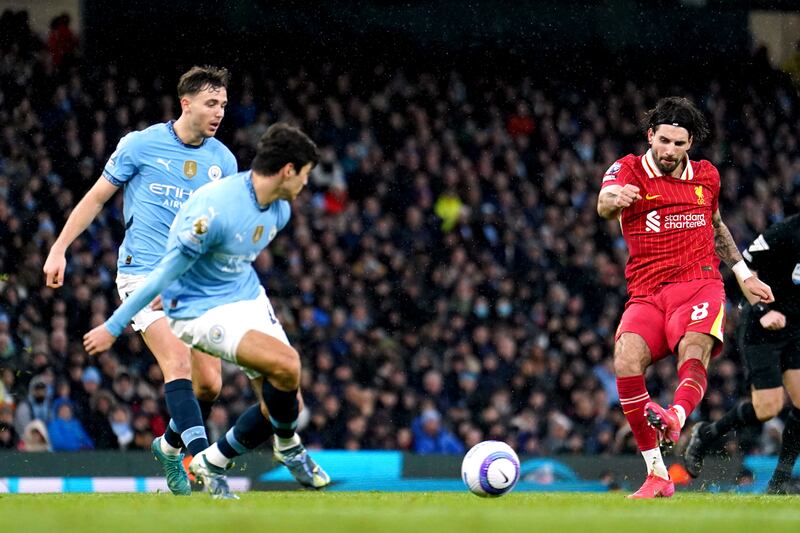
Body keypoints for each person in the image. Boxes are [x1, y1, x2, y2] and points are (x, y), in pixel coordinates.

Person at [84, 123, 330, 499]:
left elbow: (229, 258)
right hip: (195, 309)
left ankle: (216, 459)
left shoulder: (280, 211)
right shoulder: (215, 207)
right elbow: (165, 271)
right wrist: (114, 325)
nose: (307, 183)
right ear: (287, 171)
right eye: (306, 174)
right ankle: (283, 447)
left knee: (284, 403)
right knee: (287, 364)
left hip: (243, 295)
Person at [43, 66, 237, 495]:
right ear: (185, 104)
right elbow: (96, 197)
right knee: (178, 364)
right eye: (211, 103)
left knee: (210, 384)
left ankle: (168, 447)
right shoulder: (140, 145)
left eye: (223, 104)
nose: (219, 112)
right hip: (143, 274)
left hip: (191, 282)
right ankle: (206, 468)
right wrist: (59, 248)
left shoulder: (223, 161)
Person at [596, 96, 774, 499]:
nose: (670, 150)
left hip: (699, 283)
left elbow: (717, 226)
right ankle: (657, 474)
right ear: (650, 136)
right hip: (646, 292)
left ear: (690, 142)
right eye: (663, 141)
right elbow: (604, 203)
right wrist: (615, 199)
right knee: (625, 359)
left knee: (694, 347)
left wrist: (744, 274)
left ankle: (676, 415)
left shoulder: (707, 176)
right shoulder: (628, 169)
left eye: (679, 143)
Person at [684, 215, 800, 494]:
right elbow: (745, 268)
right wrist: (762, 310)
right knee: (768, 408)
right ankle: (706, 433)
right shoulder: (785, 232)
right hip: (762, 327)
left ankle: (779, 483)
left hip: (795, 328)